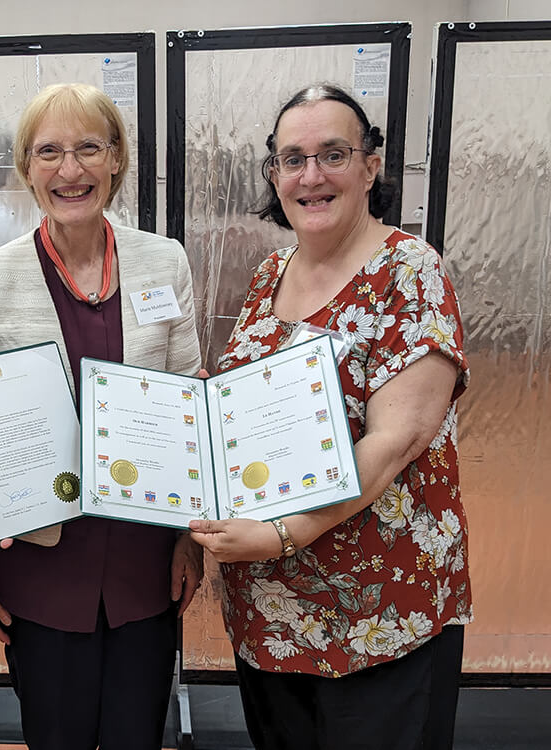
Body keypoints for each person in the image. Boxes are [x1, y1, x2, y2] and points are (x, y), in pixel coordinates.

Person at [189, 84, 471, 750]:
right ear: (274, 175)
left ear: (370, 166)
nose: (311, 175)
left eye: (332, 154)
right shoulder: (270, 275)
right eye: (293, 159)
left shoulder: (409, 272)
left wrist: (281, 535)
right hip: (271, 617)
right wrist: (205, 412)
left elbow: (395, 443)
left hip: (375, 617)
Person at [0, 83, 203, 750]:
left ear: (117, 158)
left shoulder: (164, 260)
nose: (70, 170)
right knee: (56, 735)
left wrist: (190, 538)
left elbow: (188, 405)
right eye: (49, 152)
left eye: (89, 148)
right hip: (39, 570)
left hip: (146, 562)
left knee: (135, 736)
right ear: (26, 168)